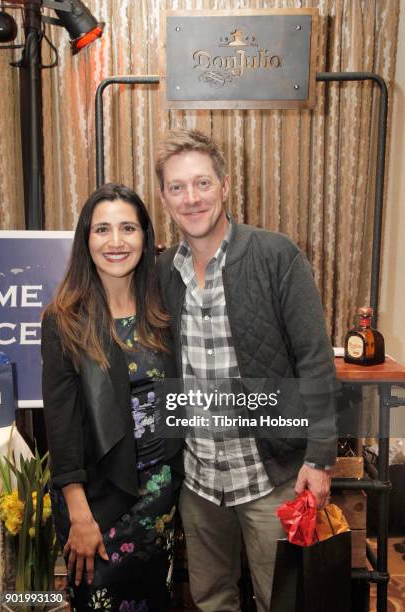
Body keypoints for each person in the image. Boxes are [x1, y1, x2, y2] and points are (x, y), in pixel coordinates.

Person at [155, 129, 337, 611]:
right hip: (197, 481)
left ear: (226, 185)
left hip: (269, 475)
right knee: (211, 599)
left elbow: (315, 359)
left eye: (202, 183)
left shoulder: (276, 255)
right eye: (177, 187)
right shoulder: (160, 274)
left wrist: (319, 457)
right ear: (164, 196)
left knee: (280, 599)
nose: (191, 198)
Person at [41, 183, 182, 611]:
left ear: (146, 237)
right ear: (86, 240)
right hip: (98, 506)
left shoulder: (162, 313)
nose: (116, 242)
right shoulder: (64, 322)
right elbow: (61, 431)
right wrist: (80, 516)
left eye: (128, 228)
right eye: (102, 229)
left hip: (160, 504)